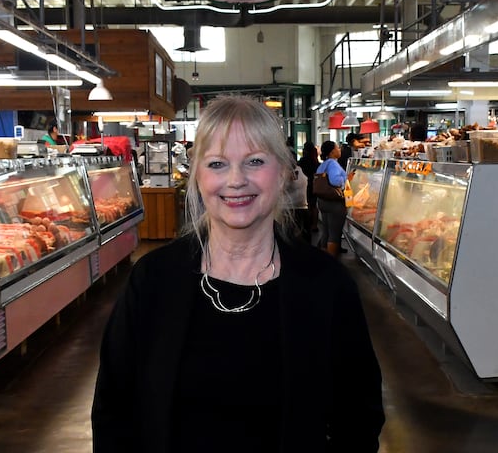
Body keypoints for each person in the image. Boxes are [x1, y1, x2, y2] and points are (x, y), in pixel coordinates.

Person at [92, 96, 384, 452]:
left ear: (282, 172)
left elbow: (358, 417)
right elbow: (113, 408)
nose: (236, 180)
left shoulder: (326, 285)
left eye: (255, 161)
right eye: (217, 163)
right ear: (198, 176)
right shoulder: (153, 280)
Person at [316, 140, 348, 258]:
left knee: (326, 231)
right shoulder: (333, 164)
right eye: (337, 148)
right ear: (332, 151)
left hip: (323, 201)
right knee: (334, 233)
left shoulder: (323, 164)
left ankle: (323, 261)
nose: (339, 150)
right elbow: (335, 181)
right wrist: (346, 179)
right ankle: (332, 263)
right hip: (334, 203)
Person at [298, 141, 320, 235]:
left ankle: (307, 224)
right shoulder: (315, 161)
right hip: (314, 184)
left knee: (307, 205)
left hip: (305, 184)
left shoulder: (303, 160)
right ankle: (314, 225)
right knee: (314, 205)